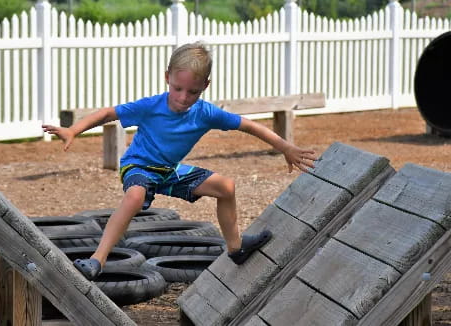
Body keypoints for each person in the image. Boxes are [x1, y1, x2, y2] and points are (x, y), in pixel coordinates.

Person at [42, 42, 317, 280]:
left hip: (169, 171)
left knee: (226, 187)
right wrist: (73, 130)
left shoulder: (206, 112)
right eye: (178, 88)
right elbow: (107, 114)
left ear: (205, 87)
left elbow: (250, 126)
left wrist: (285, 147)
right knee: (135, 196)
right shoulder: (151, 106)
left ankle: (235, 248)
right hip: (138, 166)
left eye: (193, 92)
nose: (184, 98)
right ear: (167, 78)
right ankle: (97, 261)